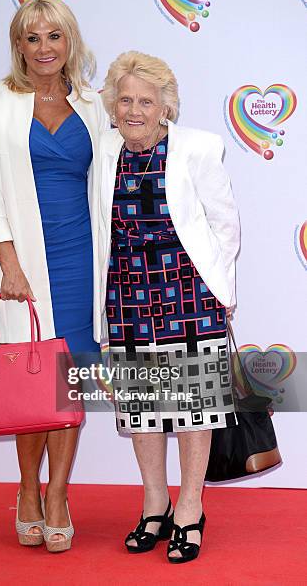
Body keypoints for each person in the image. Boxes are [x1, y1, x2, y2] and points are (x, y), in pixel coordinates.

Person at [0, 0, 108, 552]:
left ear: (69, 42)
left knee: (67, 378)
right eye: (33, 38)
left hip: (80, 258)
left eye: (55, 36)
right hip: (22, 261)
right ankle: (27, 489)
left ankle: (57, 495)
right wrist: (9, 265)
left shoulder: (95, 105)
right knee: (29, 377)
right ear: (18, 46)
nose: (44, 48)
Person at [97, 51, 240, 563]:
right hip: (128, 294)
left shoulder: (198, 149)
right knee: (141, 409)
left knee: (191, 410)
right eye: (126, 99)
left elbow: (225, 227)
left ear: (166, 106)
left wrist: (222, 295)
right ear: (112, 105)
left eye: (147, 100)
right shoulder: (104, 150)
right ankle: (154, 504)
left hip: (189, 293)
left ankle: (190, 508)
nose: (135, 109)